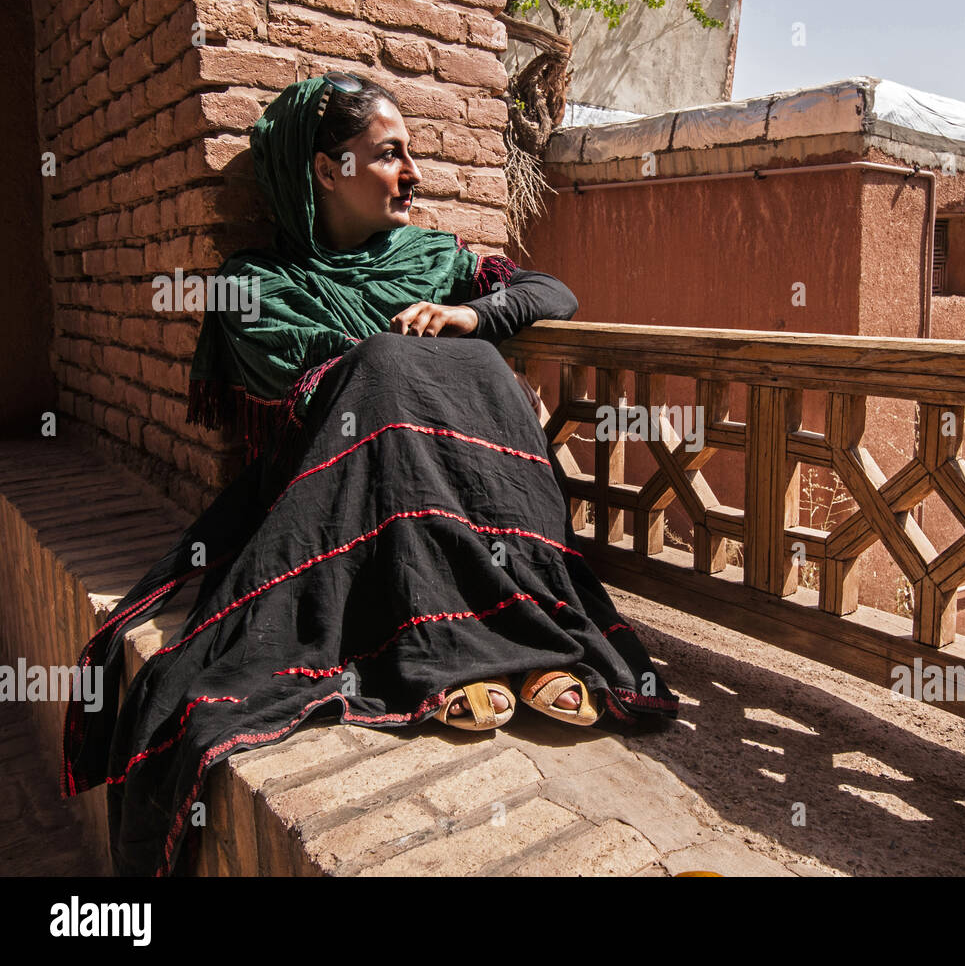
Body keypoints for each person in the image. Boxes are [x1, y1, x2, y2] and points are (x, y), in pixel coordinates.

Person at [61, 72, 680, 877]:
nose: (413, 173)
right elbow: (309, 373)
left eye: (414, 153)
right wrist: (401, 357)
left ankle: (517, 623)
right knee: (386, 365)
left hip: (465, 491)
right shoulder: (259, 284)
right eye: (390, 155)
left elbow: (552, 292)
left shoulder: (433, 259)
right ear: (327, 170)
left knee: (467, 359)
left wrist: (471, 317)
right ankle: (448, 644)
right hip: (347, 499)